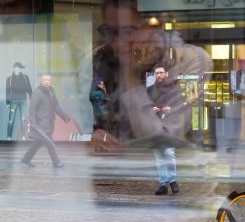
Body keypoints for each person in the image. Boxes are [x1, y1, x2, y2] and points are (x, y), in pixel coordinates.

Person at [91, 0, 212, 194]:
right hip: (119, 185)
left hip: (181, 186)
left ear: (156, 26)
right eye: (111, 32)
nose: (118, 42)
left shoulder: (190, 60)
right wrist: (95, 136)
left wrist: (130, 80)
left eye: (128, 31)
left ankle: (168, 183)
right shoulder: (102, 60)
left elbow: (162, 137)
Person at [147, 64, 188, 195]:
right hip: (154, 126)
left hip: (169, 125)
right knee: (159, 156)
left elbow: (180, 105)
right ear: (154, 75)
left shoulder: (173, 89)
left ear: (166, 74)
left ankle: (172, 180)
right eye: (157, 73)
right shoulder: (149, 90)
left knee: (169, 153)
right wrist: (150, 109)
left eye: (161, 72)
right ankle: (163, 183)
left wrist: (171, 109)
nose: (159, 75)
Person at [21, 74, 70, 168]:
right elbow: (32, 108)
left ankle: (26, 159)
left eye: (48, 80)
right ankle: (56, 162)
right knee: (49, 142)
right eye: (45, 80)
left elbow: (56, 106)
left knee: (38, 143)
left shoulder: (51, 91)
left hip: (49, 122)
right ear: (41, 81)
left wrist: (64, 116)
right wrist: (33, 121)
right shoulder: (38, 93)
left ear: (50, 82)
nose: (47, 82)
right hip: (41, 124)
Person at [6, 62, 32, 140]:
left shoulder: (25, 78)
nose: (18, 69)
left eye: (19, 68)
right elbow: (7, 91)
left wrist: (32, 100)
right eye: (17, 68)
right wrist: (7, 102)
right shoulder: (9, 79)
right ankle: (9, 137)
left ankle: (23, 136)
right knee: (11, 120)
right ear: (14, 68)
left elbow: (29, 90)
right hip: (13, 101)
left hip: (23, 101)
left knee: (23, 119)